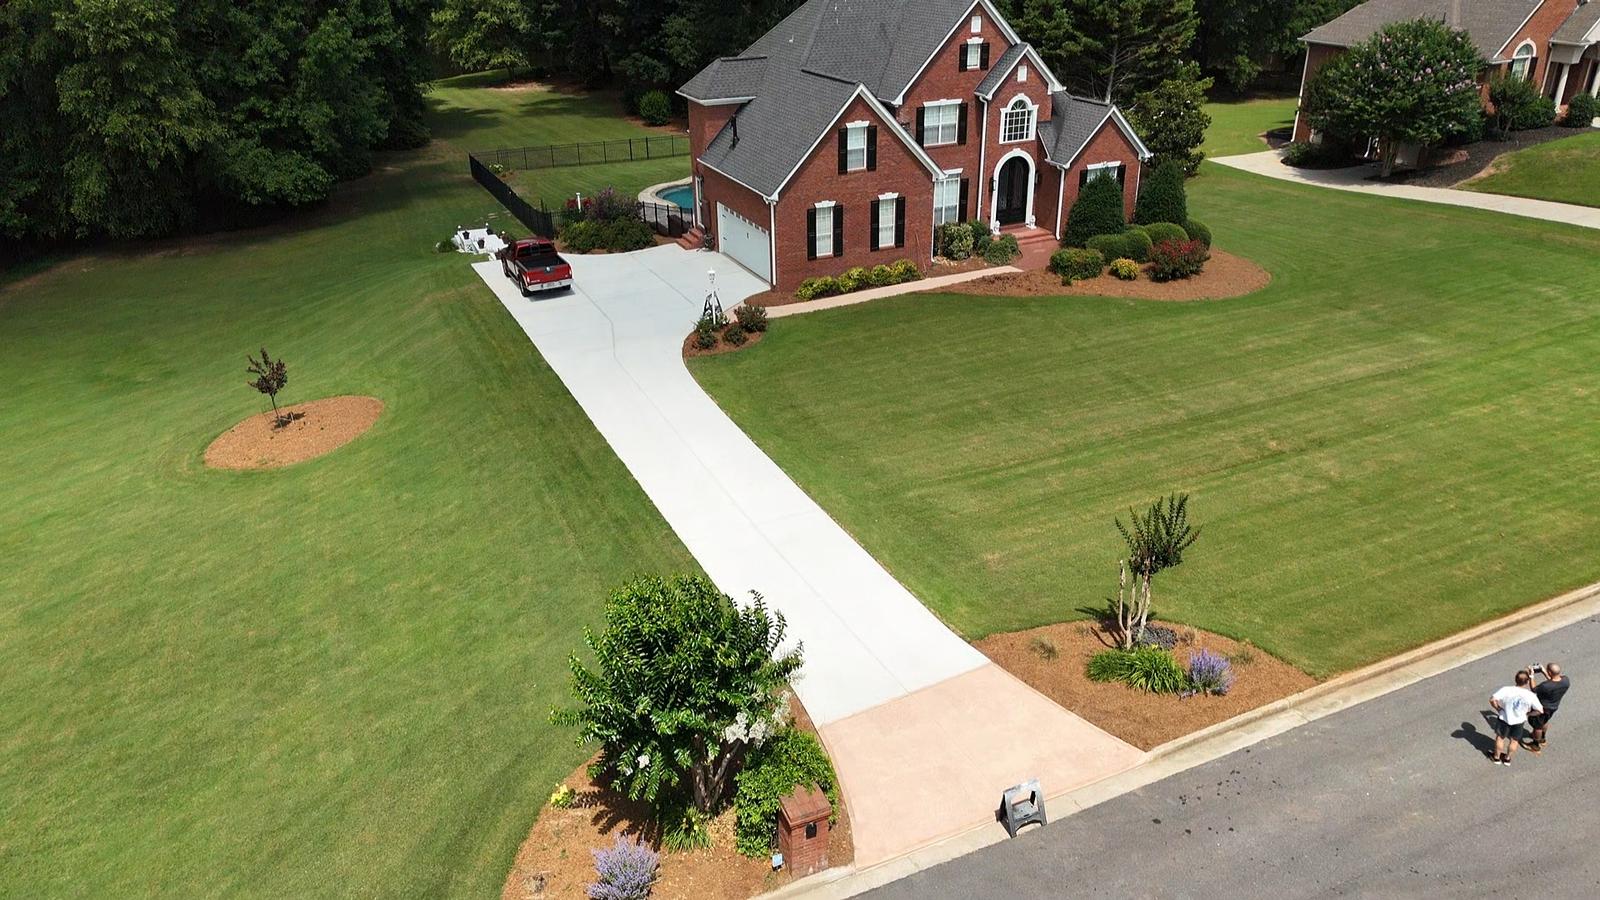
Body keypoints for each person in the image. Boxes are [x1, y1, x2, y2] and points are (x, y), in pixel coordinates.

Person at [1488, 670, 1542, 766]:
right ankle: (1507, 759)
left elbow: (1492, 699)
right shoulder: (1531, 695)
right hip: (1519, 721)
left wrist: (1498, 708)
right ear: (1527, 681)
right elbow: (1540, 710)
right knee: (1514, 740)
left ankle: (1496, 757)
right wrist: (1528, 714)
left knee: (1500, 738)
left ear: (1515, 679)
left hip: (1504, 718)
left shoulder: (1506, 689)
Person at [1526, 662, 1570, 753]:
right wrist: (1544, 672)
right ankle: (1542, 738)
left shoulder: (1545, 686)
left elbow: (1534, 689)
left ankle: (1535, 745)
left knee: (1537, 726)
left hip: (1541, 708)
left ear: (1550, 672)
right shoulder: (1566, 680)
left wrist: (1531, 676)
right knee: (1545, 721)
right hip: (1553, 707)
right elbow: (1554, 681)